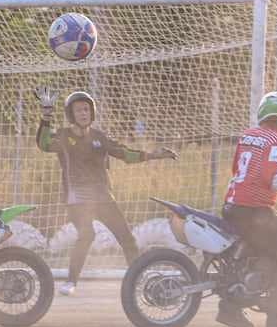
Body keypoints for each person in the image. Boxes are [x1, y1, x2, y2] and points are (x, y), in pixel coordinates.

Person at [35, 89, 177, 297]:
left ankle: (139, 279)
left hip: (102, 199)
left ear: (92, 113)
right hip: (77, 200)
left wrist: (154, 155)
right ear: (70, 114)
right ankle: (71, 281)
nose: (83, 113)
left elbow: (125, 154)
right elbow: (42, 143)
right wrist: (47, 112)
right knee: (87, 235)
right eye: (78, 110)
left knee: (127, 239)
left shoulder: (101, 137)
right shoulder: (63, 136)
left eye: (86, 109)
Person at [218, 91, 277, 327]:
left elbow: (238, 169)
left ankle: (231, 308)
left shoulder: (247, 135)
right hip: (253, 211)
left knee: (257, 253)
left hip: (232, 205)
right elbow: (271, 176)